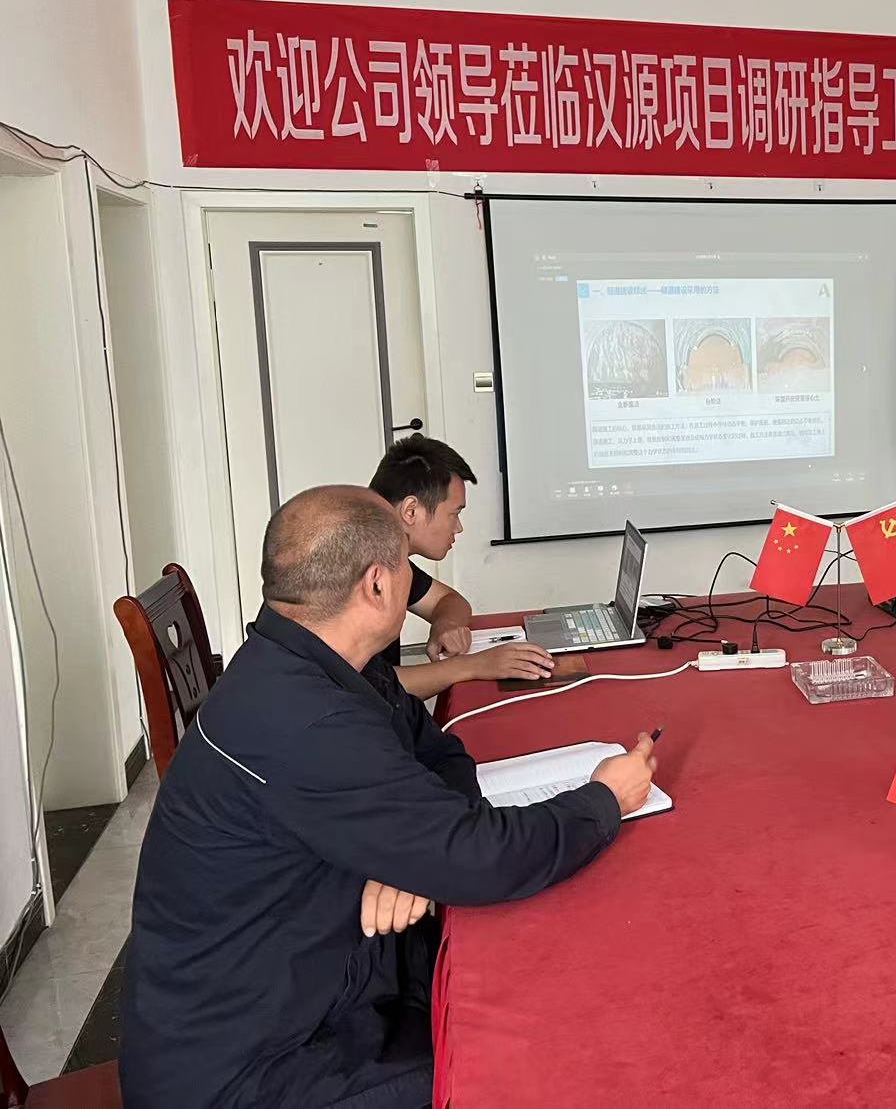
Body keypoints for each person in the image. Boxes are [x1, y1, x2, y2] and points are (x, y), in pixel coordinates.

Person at [120, 486, 657, 1109]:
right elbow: (481, 858)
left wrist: (410, 853)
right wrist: (605, 799)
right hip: (254, 1068)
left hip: (315, 980)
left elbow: (442, 755)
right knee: (534, 1057)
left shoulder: (321, 661)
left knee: (522, 981)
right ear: (377, 586)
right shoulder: (307, 719)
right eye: (406, 565)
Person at [370, 433, 556, 697]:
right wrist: (473, 666)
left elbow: (448, 600)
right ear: (411, 511)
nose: (458, 527)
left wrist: (446, 626)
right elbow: (369, 689)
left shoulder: (392, 562)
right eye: (454, 513)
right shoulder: (357, 572)